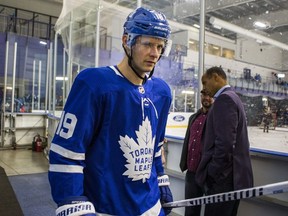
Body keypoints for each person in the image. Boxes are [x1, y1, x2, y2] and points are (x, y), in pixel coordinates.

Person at [48, 7, 173, 216]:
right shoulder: (93, 84)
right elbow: (66, 153)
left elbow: (155, 148)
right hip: (107, 209)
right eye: (148, 44)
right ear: (127, 40)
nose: (155, 53)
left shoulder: (162, 93)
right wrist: (74, 203)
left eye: (160, 46)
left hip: (151, 208)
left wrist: (161, 180)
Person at [196, 66, 253, 216]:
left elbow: (226, 143)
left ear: (216, 77)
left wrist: (213, 171)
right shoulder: (233, 97)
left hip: (223, 180)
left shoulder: (225, 99)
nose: (204, 88)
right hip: (231, 178)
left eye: (205, 82)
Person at [179, 89, 214, 216]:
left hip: (208, 175)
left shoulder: (217, 119)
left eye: (210, 95)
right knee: (190, 211)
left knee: (211, 211)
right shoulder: (194, 117)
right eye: (204, 94)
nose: (207, 98)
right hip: (192, 173)